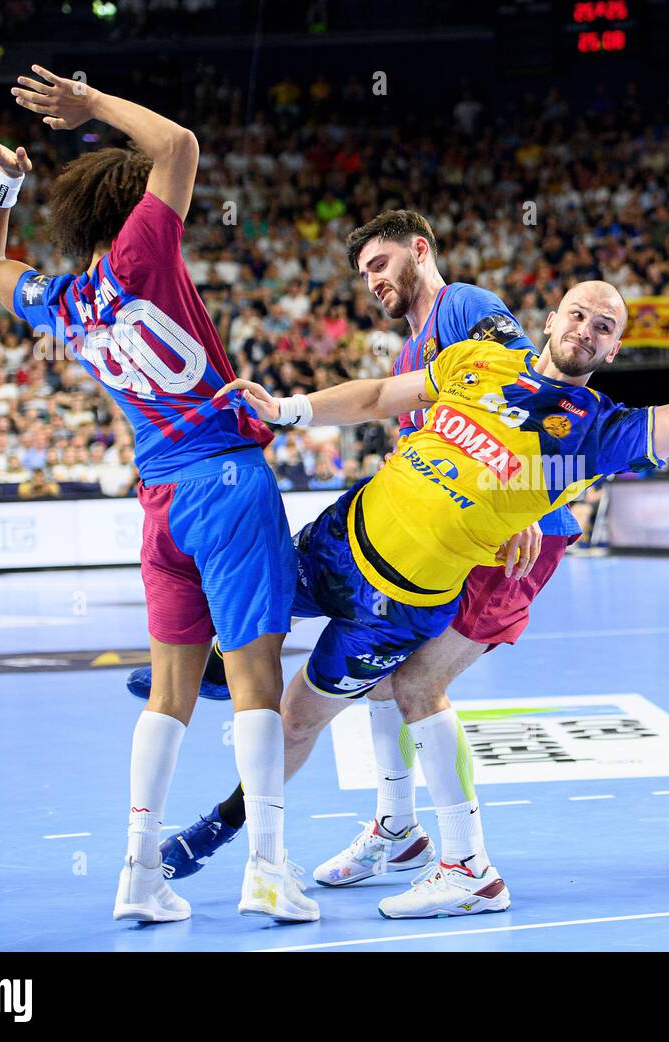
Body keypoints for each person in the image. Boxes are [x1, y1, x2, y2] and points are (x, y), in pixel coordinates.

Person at [171, 263, 669, 918]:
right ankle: (387, 823)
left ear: (615, 349)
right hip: (341, 541)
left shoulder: (593, 430)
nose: (586, 330)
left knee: (336, 705)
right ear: (551, 317)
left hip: (399, 600)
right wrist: (290, 411)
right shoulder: (480, 358)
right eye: (579, 314)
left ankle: (445, 862)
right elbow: (378, 399)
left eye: (604, 327)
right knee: (234, 589)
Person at [0, 66, 317, 923]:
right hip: (227, 482)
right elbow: (179, 146)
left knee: (167, 696)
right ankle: (268, 868)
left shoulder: (65, 303)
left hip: (158, 504)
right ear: (130, 213)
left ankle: (137, 875)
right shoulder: (142, 253)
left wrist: (6, 182)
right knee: (256, 685)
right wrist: (91, 108)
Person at [145, 211, 582, 890]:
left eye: (379, 264)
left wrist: (532, 499)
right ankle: (398, 829)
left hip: (512, 539)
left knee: (413, 685)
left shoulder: (463, 305)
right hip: (446, 539)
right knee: (382, 681)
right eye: (362, 274)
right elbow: (393, 410)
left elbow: (530, 392)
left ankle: (466, 867)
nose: (371, 281)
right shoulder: (410, 359)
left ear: (420, 249)